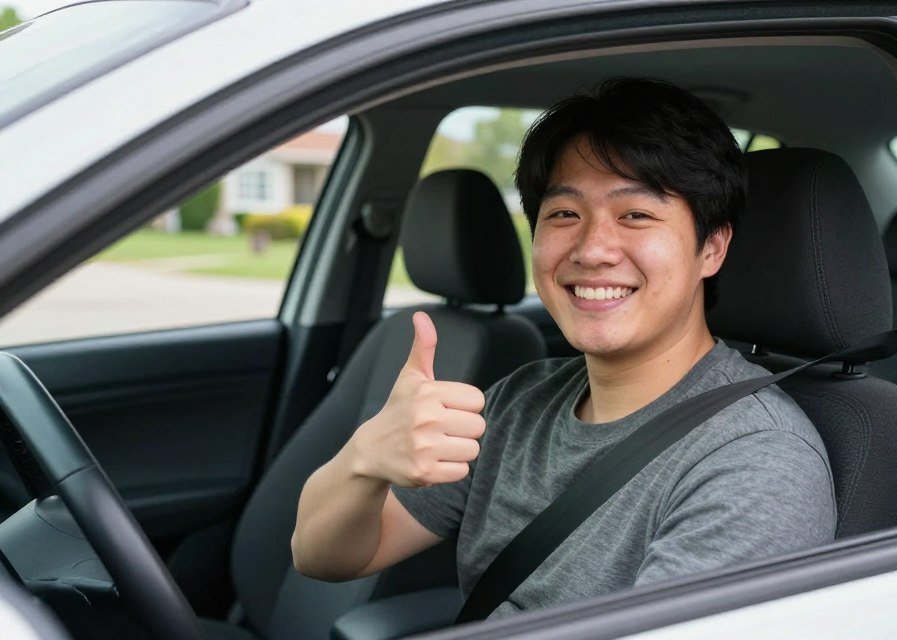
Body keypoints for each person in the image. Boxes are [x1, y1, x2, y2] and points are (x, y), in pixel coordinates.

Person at [291, 78, 836, 619]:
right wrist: (365, 460)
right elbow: (323, 557)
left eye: (636, 215)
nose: (593, 249)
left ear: (711, 248)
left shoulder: (756, 462)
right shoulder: (517, 403)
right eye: (564, 215)